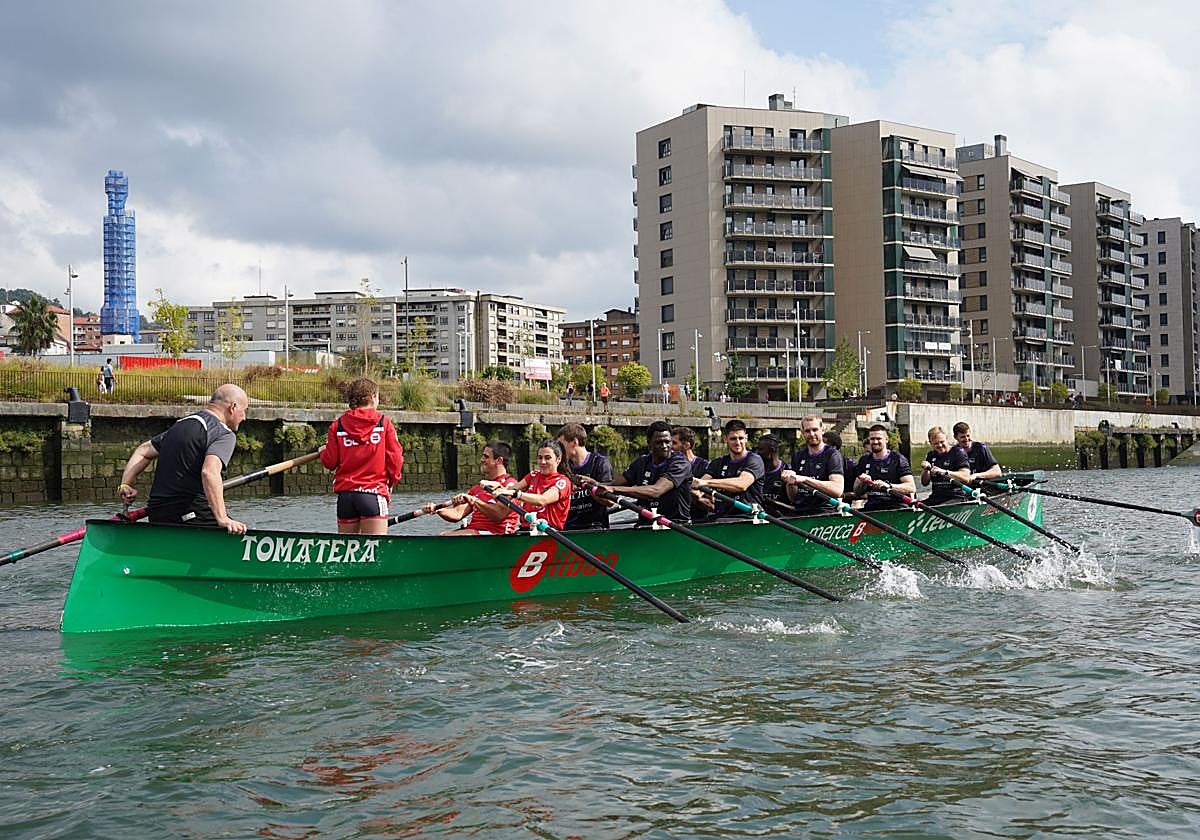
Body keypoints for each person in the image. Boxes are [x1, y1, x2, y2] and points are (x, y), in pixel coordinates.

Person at [117, 384, 250, 534]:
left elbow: (143, 451)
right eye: (244, 411)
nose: (244, 417)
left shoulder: (180, 425)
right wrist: (222, 518)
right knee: (238, 532)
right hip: (191, 513)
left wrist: (125, 484)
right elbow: (209, 472)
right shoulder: (223, 433)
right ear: (233, 407)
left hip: (158, 514)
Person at [318, 377, 404, 534]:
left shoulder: (338, 426)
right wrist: (392, 482)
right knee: (376, 551)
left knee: (348, 553)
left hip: (346, 497)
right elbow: (396, 458)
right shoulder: (383, 423)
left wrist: (322, 452)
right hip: (373, 493)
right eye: (377, 397)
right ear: (372, 397)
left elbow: (330, 462)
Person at [586, 421, 692, 523]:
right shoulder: (642, 462)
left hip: (676, 524)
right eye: (659, 442)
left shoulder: (680, 463)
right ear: (649, 443)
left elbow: (656, 491)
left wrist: (613, 489)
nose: (664, 446)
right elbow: (614, 484)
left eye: (667, 442)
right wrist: (594, 484)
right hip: (645, 525)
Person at [425, 441, 520, 536]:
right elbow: (457, 514)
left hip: (498, 534)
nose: (482, 460)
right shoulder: (478, 488)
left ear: (499, 460)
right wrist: (437, 510)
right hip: (475, 533)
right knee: (443, 535)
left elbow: (499, 515)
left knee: (445, 536)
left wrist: (474, 500)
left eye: (486, 457)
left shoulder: (510, 486)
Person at [491, 439, 571, 529]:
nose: (542, 462)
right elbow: (510, 491)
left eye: (547, 458)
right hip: (526, 529)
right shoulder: (533, 475)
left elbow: (542, 500)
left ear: (558, 459)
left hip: (548, 531)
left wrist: (516, 494)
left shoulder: (563, 481)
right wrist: (497, 487)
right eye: (540, 458)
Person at [693, 419, 764, 519]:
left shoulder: (754, 460)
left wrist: (707, 483)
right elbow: (699, 484)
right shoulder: (717, 463)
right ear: (725, 439)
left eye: (741, 438)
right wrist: (697, 494)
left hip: (749, 517)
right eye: (733, 439)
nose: (738, 442)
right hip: (722, 518)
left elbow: (742, 485)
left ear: (746, 438)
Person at [784, 415, 845, 516]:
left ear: (822, 429)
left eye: (815, 429)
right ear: (803, 433)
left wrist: (805, 480)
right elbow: (793, 497)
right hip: (800, 511)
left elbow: (837, 490)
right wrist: (790, 483)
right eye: (807, 431)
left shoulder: (832, 454)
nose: (812, 434)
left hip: (824, 512)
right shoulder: (798, 455)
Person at [557, 423, 611, 530]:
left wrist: (593, 487)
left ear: (575, 442)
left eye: (561, 445)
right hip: (567, 528)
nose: (559, 451)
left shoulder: (600, 463)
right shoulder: (562, 467)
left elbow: (610, 502)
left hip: (594, 527)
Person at [850, 424, 915, 511]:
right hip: (872, 507)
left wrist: (888, 486)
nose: (875, 442)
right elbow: (856, 491)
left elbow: (911, 487)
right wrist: (863, 483)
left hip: (896, 507)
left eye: (878, 438)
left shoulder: (898, 459)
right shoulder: (864, 460)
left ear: (886, 440)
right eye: (872, 439)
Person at [920, 425, 971, 505]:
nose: (940, 445)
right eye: (936, 443)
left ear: (947, 439)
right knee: (914, 507)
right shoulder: (931, 455)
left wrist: (943, 472)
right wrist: (926, 470)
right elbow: (924, 483)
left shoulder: (958, 452)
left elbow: (966, 477)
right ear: (930, 443)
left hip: (955, 496)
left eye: (942, 442)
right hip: (936, 497)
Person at [951, 421, 1003, 485]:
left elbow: (997, 472)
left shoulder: (981, 448)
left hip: (982, 485)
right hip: (962, 487)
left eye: (968, 435)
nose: (966, 439)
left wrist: (976, 475)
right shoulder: (953, 451)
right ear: (955, 437)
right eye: (962, 437)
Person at [756, 434, 789, 510]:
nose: (757, 453)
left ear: (772, 450)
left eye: (760, 449)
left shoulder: (786, 471)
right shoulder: (756, 471)